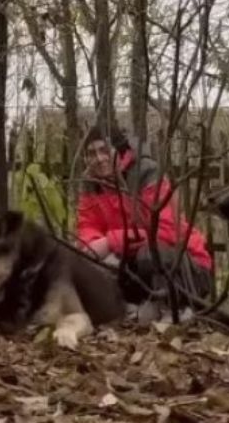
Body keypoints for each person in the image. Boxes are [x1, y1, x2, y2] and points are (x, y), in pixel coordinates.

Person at [75, 124, 215, 312]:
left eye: (104, 150)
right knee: (90, 262)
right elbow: (88, 227)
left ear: (120, 150)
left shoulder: (146, 174)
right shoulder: (91, 185)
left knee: (148, 253)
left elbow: (167, 231)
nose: (99, 159)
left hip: (188, 266)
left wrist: (110, 242)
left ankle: (174, 310)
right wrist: (92, 248)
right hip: (138, 269)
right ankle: (136, 309)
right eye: (91, 153)